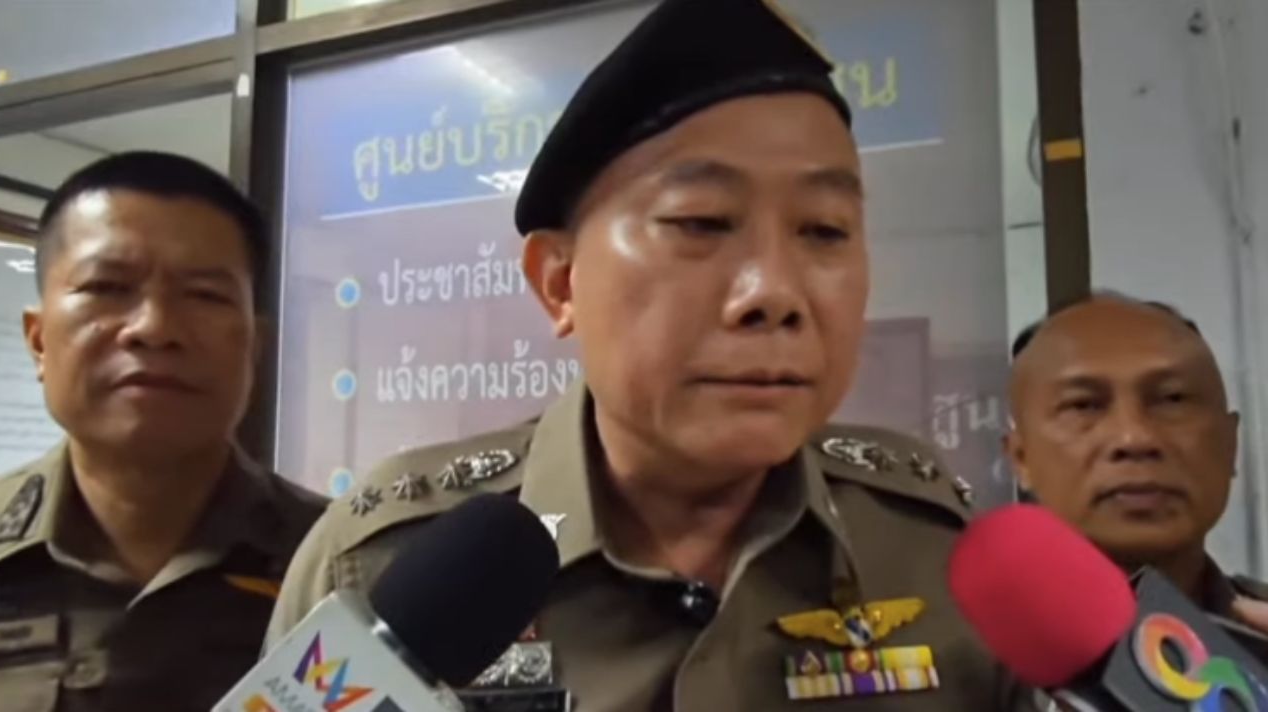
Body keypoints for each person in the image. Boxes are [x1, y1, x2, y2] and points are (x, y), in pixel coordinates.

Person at [268, 0, 1007, 709]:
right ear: (560, 283)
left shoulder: (936, 553)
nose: (774, 293)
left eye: (824, 230)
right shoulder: (380, 570)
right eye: (701, 222)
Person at [0, 152, 326, 712]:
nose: (155, 327)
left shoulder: (335, 564)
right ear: (39, 340)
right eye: (106, 286)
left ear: (255, 348)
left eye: (205, 295)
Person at [1005, 292, 1268, 634]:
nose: (1135, 438)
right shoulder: (959, 653)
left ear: (1229, 444)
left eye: (1172, 399)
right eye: (1083, 405)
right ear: (1021, 458)